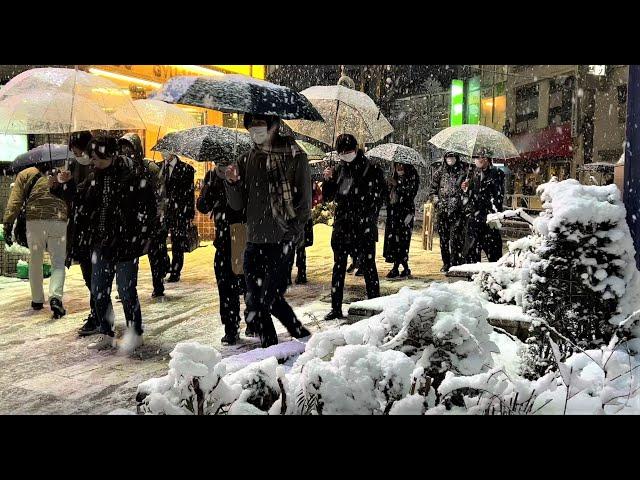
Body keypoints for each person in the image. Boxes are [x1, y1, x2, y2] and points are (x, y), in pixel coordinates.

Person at [55, 135, 156, 351]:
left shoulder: (132, 176)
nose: (92, 161)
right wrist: (66, 184)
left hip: (126, 244)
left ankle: (135, 331)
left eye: (95, 157)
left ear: (109, 154)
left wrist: (141, 235)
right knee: (98, 289)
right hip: (100, 244)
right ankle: (105, 331)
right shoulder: (95, 178)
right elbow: (80, 201)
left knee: (126, 290)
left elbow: (148, 209)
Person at [225, 113, 311, 348]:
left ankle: (298, 335)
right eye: (251, 126)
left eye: (260, 124)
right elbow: (238, 204)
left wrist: (293, 232)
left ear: (273, 126)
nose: (256, 130)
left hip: (282, 240)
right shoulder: (246, 158)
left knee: (270, 298)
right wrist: (231, 182)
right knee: (254, 300)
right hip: (254, 240)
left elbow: (305, 200)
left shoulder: (294, 154)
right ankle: (274, 347)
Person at [322, 134, 387, 321]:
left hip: (363, 227)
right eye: (342, 153)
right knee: (338, 267)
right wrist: (328, 180)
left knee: (368, 267)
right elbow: (329, 197)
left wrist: (367, 215)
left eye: (348, 152)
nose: (345, 155)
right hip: (342, 227)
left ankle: (374, 305)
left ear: (356, 149)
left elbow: (379, 195)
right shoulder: (339, 170)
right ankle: (336, 307)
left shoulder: (371, 169)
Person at [3, 161, 68, 318]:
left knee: (35, 260)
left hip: (34, 220)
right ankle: (55, 298)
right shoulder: (62, 172)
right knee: (58, 261)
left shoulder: (26, 173)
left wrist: (8, 223)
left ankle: (37, 300)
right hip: (58, 218)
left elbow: (15, 201)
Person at [197, 162, 247, 345]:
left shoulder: (242, 173)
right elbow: (202, 206)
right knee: (225, 287)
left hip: (242, 236)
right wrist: (210, 185)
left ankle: (253, 319)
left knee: (246, 283)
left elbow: (243, 204)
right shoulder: (211, 177)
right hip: (222, 240)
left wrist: (234, 182)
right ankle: (231, 327)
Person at [117, 133, 169, 298]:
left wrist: (160, 215)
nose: (126, 152)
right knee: (131, 256)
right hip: (131, 220)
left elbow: (161, 193)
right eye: (123, 149)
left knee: (155, 254)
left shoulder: (150, 168)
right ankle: (128, 286)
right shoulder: (122, 169)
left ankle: (158, 283)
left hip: (150, 218)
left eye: (129, 148)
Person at [157, 151, 195, 283]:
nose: (164, 153)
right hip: (162, 211)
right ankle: (165, 264)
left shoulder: (186, 169)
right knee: (159, 240)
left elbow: (189, 193)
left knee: (177, 242)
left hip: (179, 211)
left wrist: (190, 213)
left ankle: (175, 270)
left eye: (166, 150)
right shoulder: (158, 167)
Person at [461, 152, 505, 263]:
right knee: (471, 252)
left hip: (489, 217)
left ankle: (494, 277)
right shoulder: (472, 174)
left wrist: (493, 212)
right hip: (474, 218)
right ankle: (472, 277)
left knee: (493, 252)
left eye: (480, 157)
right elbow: (467, 196)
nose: (477, 160)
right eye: (476, 157)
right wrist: (465, 189)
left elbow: (498, 196)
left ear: (487, 159)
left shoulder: (496, 173)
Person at [428, 151, 467, 272]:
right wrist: (437, 202)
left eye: (452, 157)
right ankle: (446, 262)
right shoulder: (439, 173)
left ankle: (455, 261)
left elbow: (467, 192)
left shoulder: (463, 173)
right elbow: (432, 191)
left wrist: (463, 195)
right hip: (442, 211)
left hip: (457, 211)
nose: (450, 159)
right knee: (443, 239)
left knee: (456, 239)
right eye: (448, 157)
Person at [383, 162, 420, 278]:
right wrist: (388, 187)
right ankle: (404, 267)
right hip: (393, 212)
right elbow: (387, 195)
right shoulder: (394, 175)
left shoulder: (412, 175)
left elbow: (410, 193)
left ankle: (396, 267)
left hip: (405, 213)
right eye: (396, 165)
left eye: (401, 165)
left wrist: (398, 184)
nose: (399, 168)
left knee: (402, 240)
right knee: (393, 240)